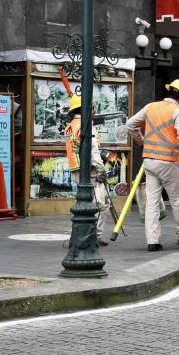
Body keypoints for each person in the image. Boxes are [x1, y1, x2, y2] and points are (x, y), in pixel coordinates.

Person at [126, 79, 179, 251]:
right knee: (178, 201)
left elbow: (130, 125)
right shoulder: (178, 111)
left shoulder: (150, 107)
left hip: (149, 162)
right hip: (169, 162)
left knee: (152, 202)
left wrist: (142, 142)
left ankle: (153, 241)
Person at [65, 94, 110, 246]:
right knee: (101, 203)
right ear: (87, 108)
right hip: (89, 169)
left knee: (85, 203)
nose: (94, 111)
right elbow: (93, 149)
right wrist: (101, 168)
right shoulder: (86, 124)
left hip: (76, 169)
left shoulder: (71, 125)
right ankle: (94, 236)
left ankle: (84, 233)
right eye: (92, 108)